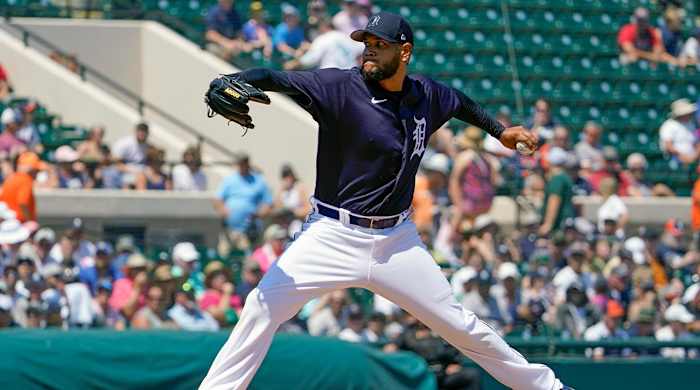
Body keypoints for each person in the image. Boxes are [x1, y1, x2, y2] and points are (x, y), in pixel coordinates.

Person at [199, 11, 569, 390]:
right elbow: (275, 77)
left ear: (404, 52)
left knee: (459, 325)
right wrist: (236, 80)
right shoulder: (340, 88)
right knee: (261, 307)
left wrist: (499, 131)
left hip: (397, 242)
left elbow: (458, 101)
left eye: (379, 45)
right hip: (331, 234)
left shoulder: (425, 94)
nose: (369, 52)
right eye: (366, 44)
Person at [213, 154, 273, 250]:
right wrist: (223, 210)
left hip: (248, 231)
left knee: (246, 259)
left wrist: (258, 214)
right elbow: (217, 199)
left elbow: (268, 202)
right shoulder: (229, 180)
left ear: (248, 164)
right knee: (224, 257)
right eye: (240, 164)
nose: (241, 166)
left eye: (244, 163)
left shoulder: (258, 180)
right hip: (229, 229)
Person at [449, 127, 500, 233]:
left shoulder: (464, 156)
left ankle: (447, 242)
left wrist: (458, 204)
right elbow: (494, 181)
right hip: (486, 204)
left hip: (470, 204)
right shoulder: (487, 158)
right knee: (478, 236)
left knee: (455, 233)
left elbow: (454, 181)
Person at [284, 16, 363, 70]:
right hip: (350, 74)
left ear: (323, 25)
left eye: (318, 26)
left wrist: (292, 64)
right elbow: (360, 50)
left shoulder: (322, 39)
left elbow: (310, 60)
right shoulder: (344, 36)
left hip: (330, 75)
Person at [539, 148, 575, 236]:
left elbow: (554, 199)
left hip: (558, 226)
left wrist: (548, 224)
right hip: (566, 223)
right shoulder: (566, 177)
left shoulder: (557, 179)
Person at [1, 152, 46, 222]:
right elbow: (22, 203)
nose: (37, 173)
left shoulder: (10, 178)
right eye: (36, 170)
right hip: (19, 223)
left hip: (7, 221)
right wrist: (29, 221)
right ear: (31, 169)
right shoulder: (26, 180)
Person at [659, 98, 698, 164]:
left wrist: (694, 156)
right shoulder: (669, 125)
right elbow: (668, 145)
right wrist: (682, 156)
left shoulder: (692, 124)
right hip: (674, 159)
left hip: (693, 158)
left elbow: (696, 143)